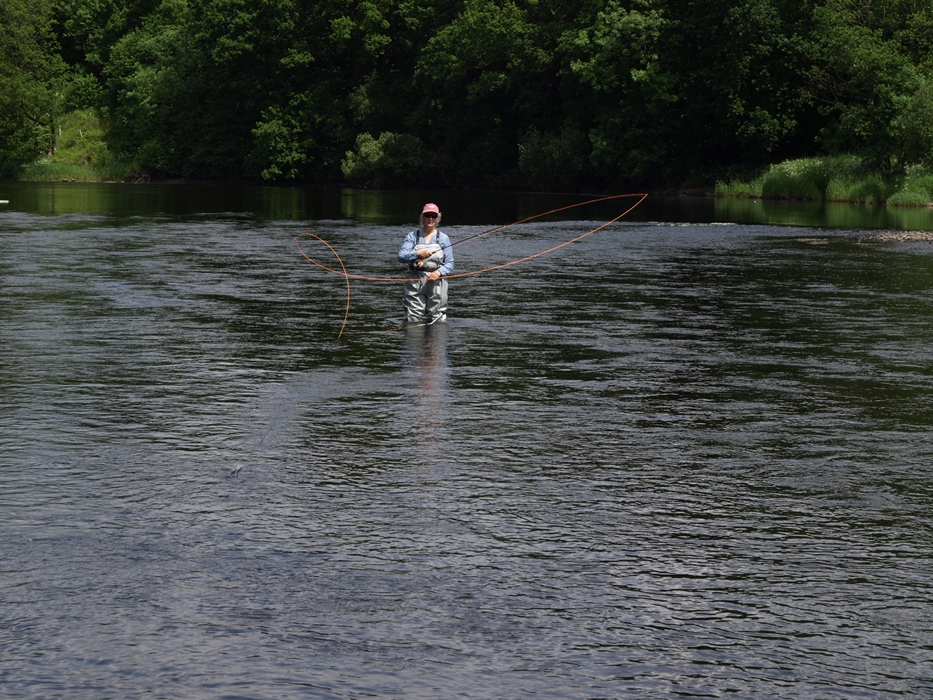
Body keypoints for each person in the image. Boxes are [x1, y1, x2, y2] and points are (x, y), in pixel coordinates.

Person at [397, 203, 454, 324]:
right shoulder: (412, 237)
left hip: (437, 281)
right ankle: (415, 341)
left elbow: (450, 263)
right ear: (422, 217)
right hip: (414, 280)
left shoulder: (444, 238)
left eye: (433, 215)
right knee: (413, 317)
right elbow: (401, 256)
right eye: (427, 215)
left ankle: (435, 342)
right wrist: (417, 254)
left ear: (438, 218)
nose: (430, 218)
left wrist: (439, 272)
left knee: (438, 317)